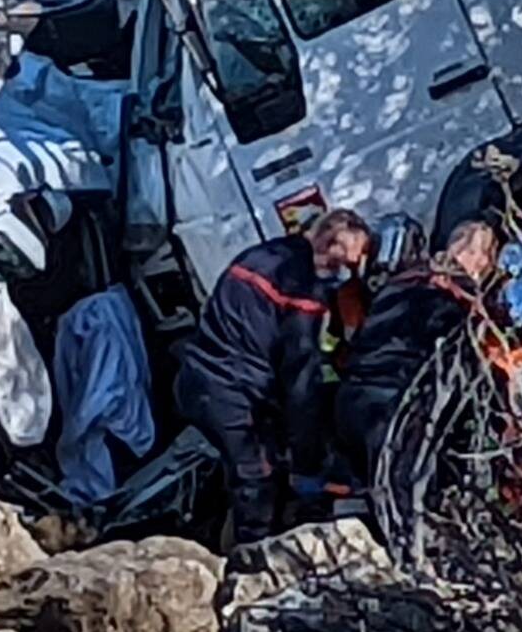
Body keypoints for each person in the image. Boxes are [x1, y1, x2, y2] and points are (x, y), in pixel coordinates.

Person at [175, 209, 373, 544]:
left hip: (202, 378)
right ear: (332, 244)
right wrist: (308, 464)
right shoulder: (301, 288)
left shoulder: (261, 255)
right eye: (351, 262)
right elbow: (300, 381)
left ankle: (224, 538)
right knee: (257, 480)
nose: (349, 273)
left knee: (260, 462)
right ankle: (250, 568)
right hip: (230, 391)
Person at [333, 219, 499, 487]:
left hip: (350, 403)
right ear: (475, 257)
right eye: (487, 256)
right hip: (393, 409)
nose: (487, 265)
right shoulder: (457, 296)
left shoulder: (402, 282)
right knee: (413, 508)